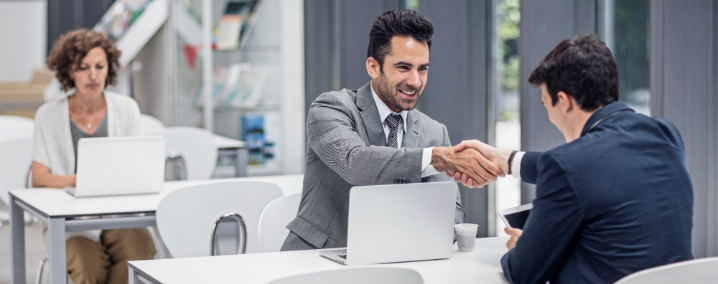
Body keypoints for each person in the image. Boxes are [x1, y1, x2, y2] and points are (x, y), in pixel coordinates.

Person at [454, 34, 693, 283]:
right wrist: (510, 160)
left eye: (547, 105)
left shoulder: (568, 165)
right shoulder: (666, 134)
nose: (549, 115)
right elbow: (602, 166)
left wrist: (519, 248)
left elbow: (524, 273)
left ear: (564, 102)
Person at [281, 9, 502, 251]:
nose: (415, 81)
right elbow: (355, 163)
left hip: (395, 258)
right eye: (403, 67)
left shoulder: (434, 132)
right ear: (373, 67)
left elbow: (452, 218)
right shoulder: (331, 108)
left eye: (422, 69)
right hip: (319, 256)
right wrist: (437, 158)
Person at [33, 29, 155, 284]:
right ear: (68, 71)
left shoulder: (126, 109)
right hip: (67, 221)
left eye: (100, 66)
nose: (93, 75)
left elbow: (138, 168)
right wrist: (82, 180)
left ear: (108, 69)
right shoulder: (48, 115)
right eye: (83, 67)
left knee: (139, 250)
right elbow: (39, 177)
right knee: (88, 266)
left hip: (118, 215)